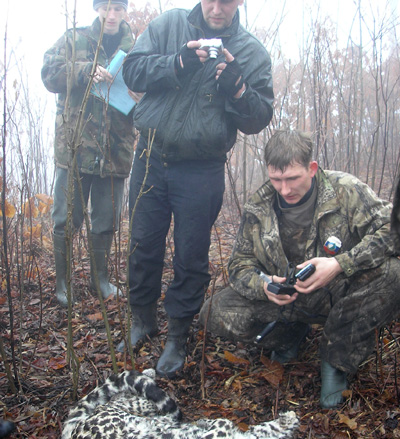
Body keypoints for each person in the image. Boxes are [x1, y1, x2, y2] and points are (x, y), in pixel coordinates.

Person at [120, 0, 273, 378]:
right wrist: (177, 63)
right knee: (142, 243)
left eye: (227, 2)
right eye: (211, 0)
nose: (217, 9)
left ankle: (177, 333)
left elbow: (259, 116)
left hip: (201, 167)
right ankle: (142, 320)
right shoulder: (170, 24)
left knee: (191, 255)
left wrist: (237, 88)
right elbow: (132, 72)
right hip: (151, 156)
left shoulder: (252, 51)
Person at [199, 130, 400, 409]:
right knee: (214, 312)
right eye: (276, 179)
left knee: (393, 274)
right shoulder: (258, 207)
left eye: (293, 179)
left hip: (340, 293)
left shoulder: (345, 189)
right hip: (287, 300)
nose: (284, 189)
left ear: (312, 169)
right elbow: (239, 265)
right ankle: (288, 337)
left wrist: (340, 263)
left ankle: (335, 360)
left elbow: (393, 231)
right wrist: (264, 285)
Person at [41, 1, 137, 307]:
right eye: (106, 8)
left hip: (116, 150)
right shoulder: (74, 38)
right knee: (65, 220)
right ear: (97, 8)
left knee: (106, 221)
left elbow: (151, 89)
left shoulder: (136, 48)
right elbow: (48, 74)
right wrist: (84, 71)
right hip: (76, 148)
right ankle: (62, 285)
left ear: (125, 11)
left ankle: (101, 282)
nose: (112, 16)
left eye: (118, 9)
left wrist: (141, 94)